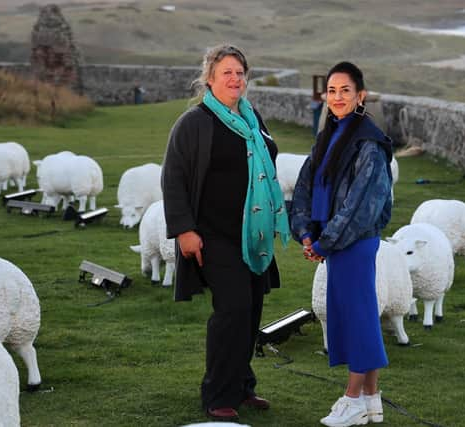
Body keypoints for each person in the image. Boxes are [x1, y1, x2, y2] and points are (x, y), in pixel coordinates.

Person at [161, 44, 289, 422]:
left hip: (252, 234)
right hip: (213, 235)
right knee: (231, 309)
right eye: (227, 72)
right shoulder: (195, 123)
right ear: (210, 79)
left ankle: (241, 386)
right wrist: (184, 230)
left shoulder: (251, 118)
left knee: (251, 312)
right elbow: (174, 178)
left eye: (240, 72)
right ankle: (217, 394)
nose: (235, 79)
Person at [290, 61, 393, 427]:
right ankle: (371, 400)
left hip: (355, 243)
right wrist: (306, 233)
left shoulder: (369, 142)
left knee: (357, 319)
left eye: (345, 90)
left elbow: (361, 205)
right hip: (334, 242)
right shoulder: (328, 137)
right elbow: (305, 187)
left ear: (360, 96)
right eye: (331, 91)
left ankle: (351, 399)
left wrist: (326, 242)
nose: (337, 97)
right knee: (358, 315)